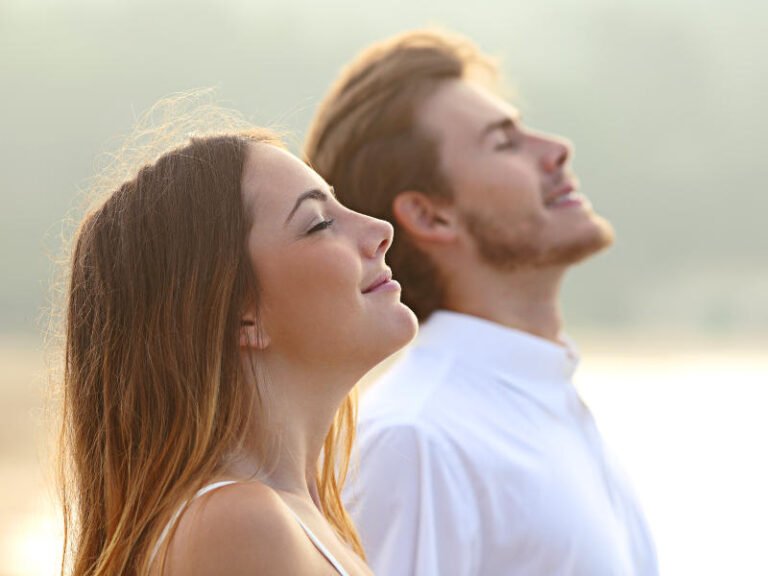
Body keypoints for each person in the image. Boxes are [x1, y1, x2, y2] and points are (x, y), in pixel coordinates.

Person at [305, 29, 658, 575]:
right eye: (504, 142)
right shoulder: (418, 439)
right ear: (430, 216)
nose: (557, 148)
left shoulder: (542, 399)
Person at [56, 105, 417, 575]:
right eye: (319, 223)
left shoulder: (299, 517)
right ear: (240, 316)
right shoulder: (238, 525)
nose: (380, 230)